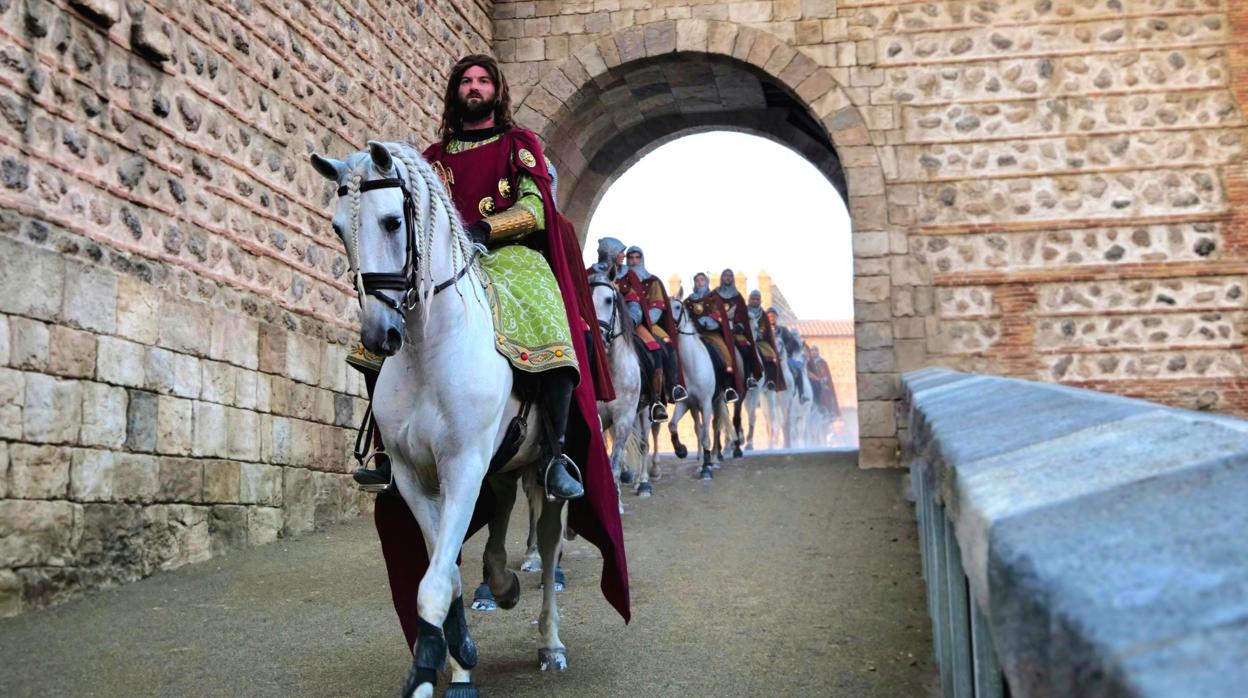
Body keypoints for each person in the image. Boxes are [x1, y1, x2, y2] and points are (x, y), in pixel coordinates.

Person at [352, 54, 629, 644]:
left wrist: (486, 229)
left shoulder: (518, 144)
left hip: (505, 257)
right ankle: (383, 444)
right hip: (445, 266)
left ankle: (555, 453)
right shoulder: (432, 158)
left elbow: (535, 208)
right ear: (455, 92)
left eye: (483, 82)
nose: (474, 89)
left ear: (495, 93)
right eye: (465, 82)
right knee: (382, 337)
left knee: (545, 310)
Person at [626, 246, 687, 404]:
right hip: (622, 323)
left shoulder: (652, 281)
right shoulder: (622, 280)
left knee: (667, 345)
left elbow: (657, 307)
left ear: (642, 259)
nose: (633, 261)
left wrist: (643, 320)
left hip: (649, 324)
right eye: (630, 258)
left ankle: (671, 388)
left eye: (636, 257)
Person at [684, 272, 742, 402]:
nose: (700, 282)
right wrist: (693, 324)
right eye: (697, 280)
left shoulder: (714, 298)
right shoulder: (688, 300)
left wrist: (706, 322)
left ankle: (728, 388)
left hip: (711, 333)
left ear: (706, 282)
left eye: (702, 280)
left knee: (726, 355)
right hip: (694, 334)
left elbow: (718, 316)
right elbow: (683, 317)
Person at [715, 269, 764, 390]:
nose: (727, 278)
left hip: (733, 329)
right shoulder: (714, 294)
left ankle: (748, 377)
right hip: (716, 328)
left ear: (733, 279)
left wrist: (739, 325)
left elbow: (742, 315)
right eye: (725, 275)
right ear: (722, 278)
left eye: (730, 276)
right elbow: (709, 308)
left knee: (746, 347)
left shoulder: (737, 297)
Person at [747, 292, 786, 391]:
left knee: (772, 355)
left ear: (760, 301)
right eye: (753, 299)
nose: (755, 301)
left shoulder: (763, 314)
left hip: (760, 341)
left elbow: (765, 328)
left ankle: (770, 380)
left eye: (757, 299)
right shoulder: (743, 311)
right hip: (746, 338)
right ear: (749, 300)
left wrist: (761, 332)